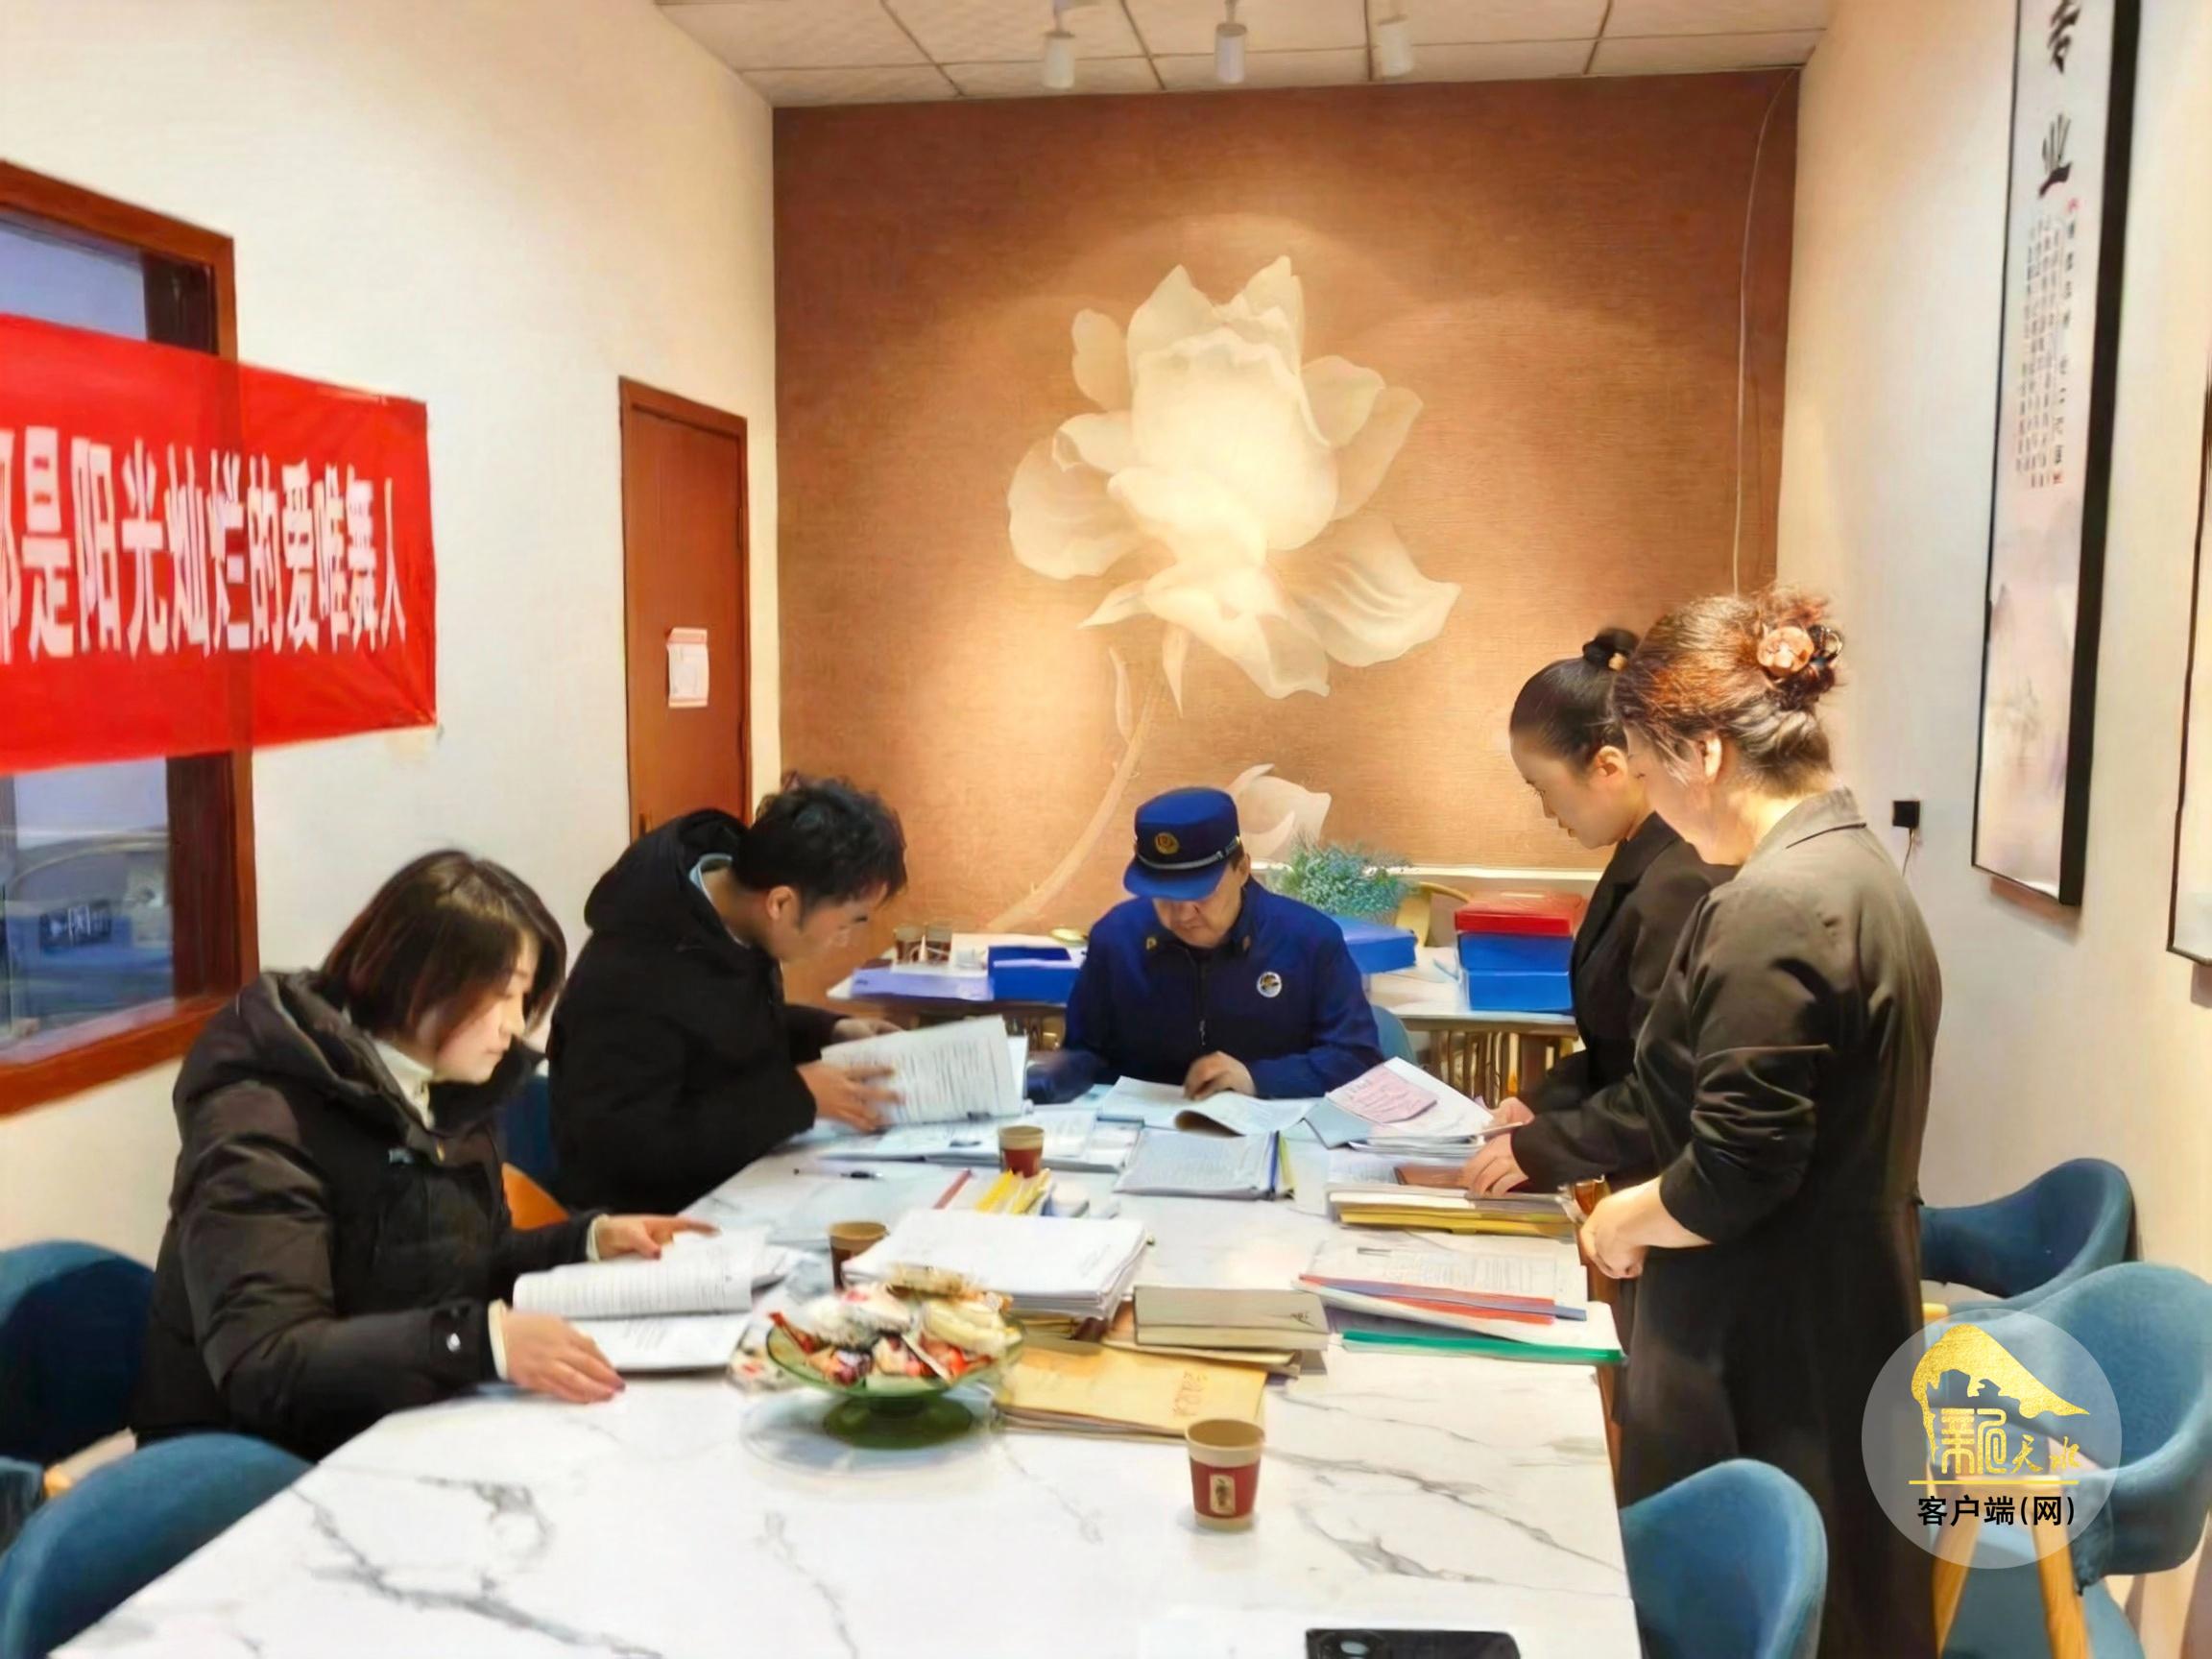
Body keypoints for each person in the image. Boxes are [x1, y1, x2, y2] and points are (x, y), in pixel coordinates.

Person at [1574, 590, 1940, 1659]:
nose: (1655, 805)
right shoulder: (1861, 872)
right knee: (1842, 1602)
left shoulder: (1773, 906)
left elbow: (1737, 1169)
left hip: (1762, 1347)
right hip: (1844, 1313)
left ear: (1704, 754)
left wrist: (1622, 1221)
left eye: (1651, 774)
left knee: (1753, 1609)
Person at [131, 853, 708, 1462]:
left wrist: (587, 1239)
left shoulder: (450, 1089)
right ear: (420, 980)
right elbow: (267, 1364)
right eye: (503, 995)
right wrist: (478, 1343)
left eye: (525, 998)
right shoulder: (263, 1118)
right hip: (249, 1463)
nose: (516, 1026)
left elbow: (460, 1261)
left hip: (385, 1416)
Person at [551, 776, 908, 1214]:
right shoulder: (634, 972)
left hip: (737, 1180)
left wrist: (830, 1031)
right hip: (651, 1217)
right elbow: (627, 1149)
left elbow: (728, 1027)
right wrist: (795, 1098)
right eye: (846, 924)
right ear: (781, 904)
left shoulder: (735, 915)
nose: (844, 940)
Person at [1459, 629, 1730, 1203]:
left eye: (1543, 788)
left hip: (1673, 1196)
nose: (1547, 811)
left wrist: (1542, 1148)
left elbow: (1671, 1087)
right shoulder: (1641, 856)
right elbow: (1618, 1054)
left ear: (1609, 765)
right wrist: (1538, 1102)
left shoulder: (1681, 879)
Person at [1055, 786, 1382, 1100]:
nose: (1183, 913)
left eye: (1200, 892)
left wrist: (1256, 1078)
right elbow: (1084, 1054)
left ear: (1242, 869)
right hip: (1136, 1129)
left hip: (1269, 1128)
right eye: (1164, 894)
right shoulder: (1116, 939)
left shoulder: (1309, 941)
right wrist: (1045, 1077)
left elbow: (1356, 1058)